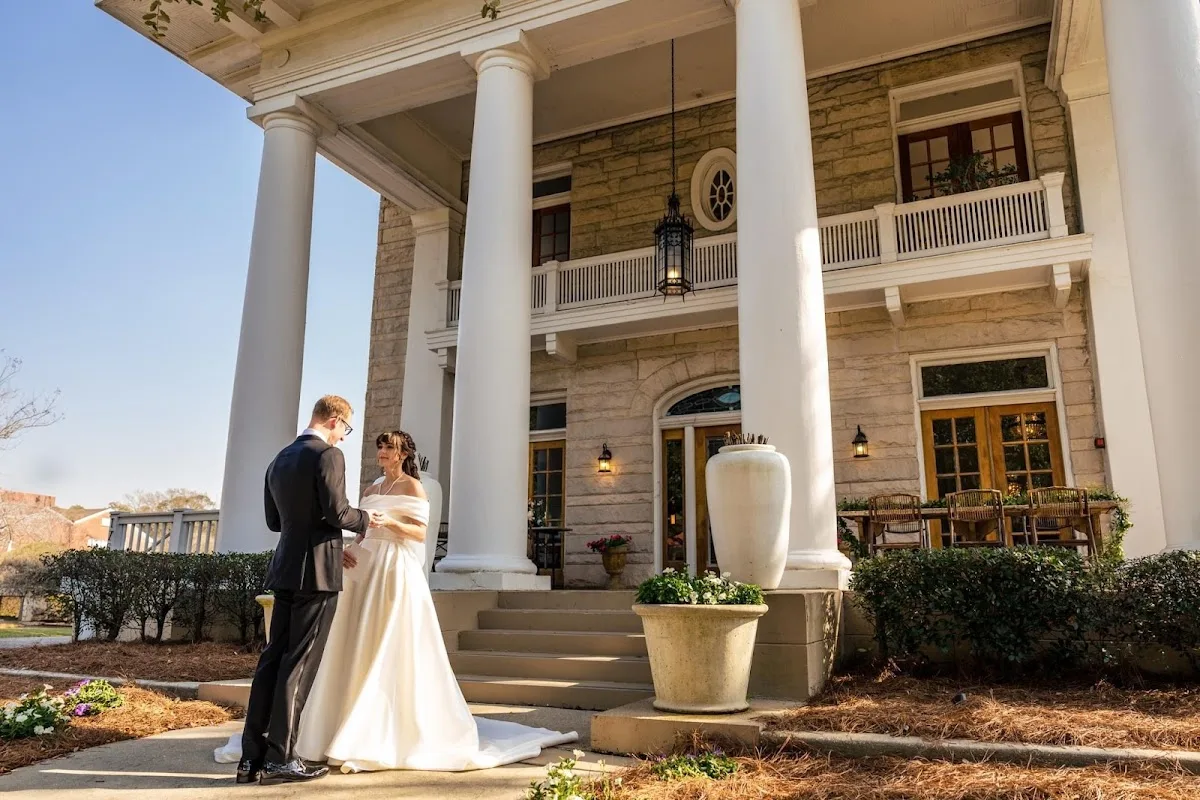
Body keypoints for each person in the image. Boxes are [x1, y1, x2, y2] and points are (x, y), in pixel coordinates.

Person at [291, 430, 577, 773]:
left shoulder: (413, 487)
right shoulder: (370, 489)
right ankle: (338, 723)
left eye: (388, 447)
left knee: (387, 638)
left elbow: (419, 533)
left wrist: (390, 521)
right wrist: (350, 550)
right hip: (365, 568)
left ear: (402, 453)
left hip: (394, 569)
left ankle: (381, 730)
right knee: (353, 641)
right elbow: (363, 529)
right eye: (379, 446)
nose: (381, 451)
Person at [237, 395, 383, 786]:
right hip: (317, 574)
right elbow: (338, 513)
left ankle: (250, 759)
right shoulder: (328, 456)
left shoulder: (278, 460)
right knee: (298, 665)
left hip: (284, 569)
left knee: (272, 661)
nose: (343, 438)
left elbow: (273, 521)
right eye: (345, 430)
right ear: (334, 421)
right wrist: (367, 519)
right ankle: (283, 758)